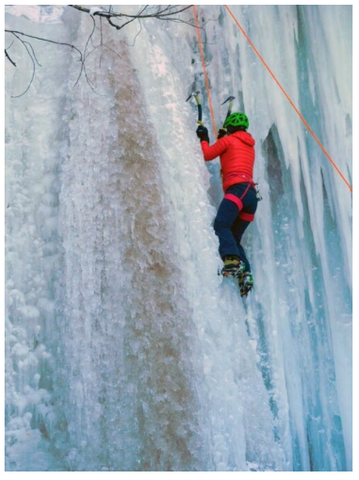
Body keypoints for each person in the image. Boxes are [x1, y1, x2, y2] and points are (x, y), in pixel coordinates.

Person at [196, 112, 258, 296]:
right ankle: (245, 274)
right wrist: (224, 138)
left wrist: (204, 137)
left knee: (221, 224)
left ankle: (231, 260)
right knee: (233, 236)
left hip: (237, 191)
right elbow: (233, 154)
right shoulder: (249, 145)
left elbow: (207, 154)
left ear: (230, 127)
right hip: (250, 196)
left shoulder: (229, 141)